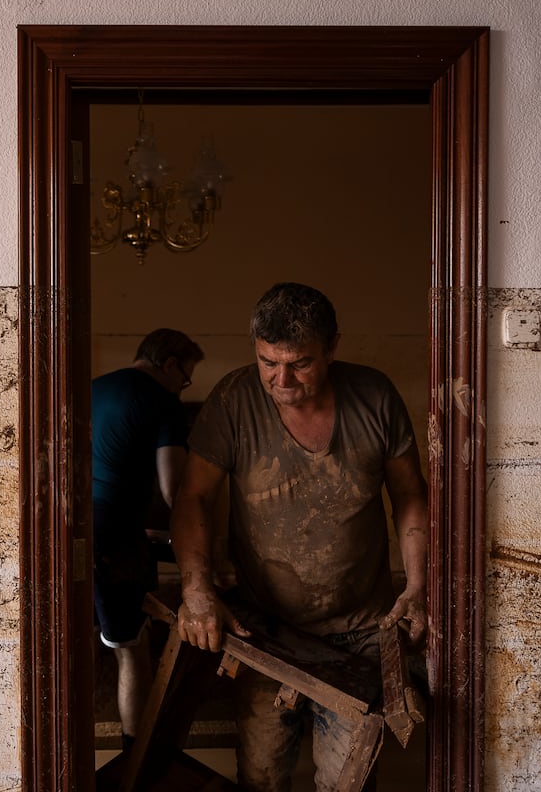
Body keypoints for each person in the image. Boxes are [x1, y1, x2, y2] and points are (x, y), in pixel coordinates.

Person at [170, 282, 429, 792]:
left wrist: (418, 586)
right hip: (266, 634)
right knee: (262, 777)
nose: (281, 379)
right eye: (268, 362)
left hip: (361, 633)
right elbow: (193, 496)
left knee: (348, 782)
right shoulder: (234, 399)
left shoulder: (374, 396)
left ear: (332, 347)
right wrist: (195, 588)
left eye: (300, 364)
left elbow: (409, 495)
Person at [91, 327, 205, 752]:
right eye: (186, 377)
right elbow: (176, 492)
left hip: (69, 532)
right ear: (170, 364)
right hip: (115, 538)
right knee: (131, 649)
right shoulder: (164, 403)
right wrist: (192, 545)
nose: (183, 386)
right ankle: (133, 758)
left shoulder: (93, 386)